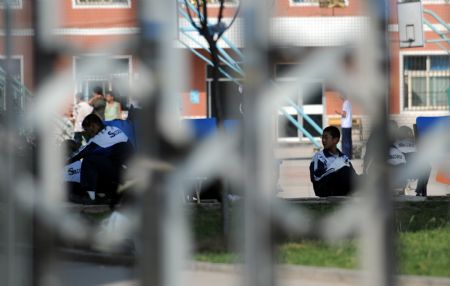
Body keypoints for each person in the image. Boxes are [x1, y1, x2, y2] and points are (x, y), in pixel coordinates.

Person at [66, 114, 134, 202]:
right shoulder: (114, 129)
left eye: (87, 130)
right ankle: (106, 193)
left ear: (94, 126)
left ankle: (91, 198)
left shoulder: (97, 140)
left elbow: (79, 154)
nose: (88, 134)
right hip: (128, 170)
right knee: (97, 160)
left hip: (123, 173)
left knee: (89, 159)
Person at [309, 126, 358, 197]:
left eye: (326, 137)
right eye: (322, 137)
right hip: (324, 191)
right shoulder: (319, 157)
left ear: (336, 140)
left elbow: (353, 177)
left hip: (341, 191)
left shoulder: (344, 158)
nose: (323, 140)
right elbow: (316, 179)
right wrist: (335, 170)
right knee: (344, 169)